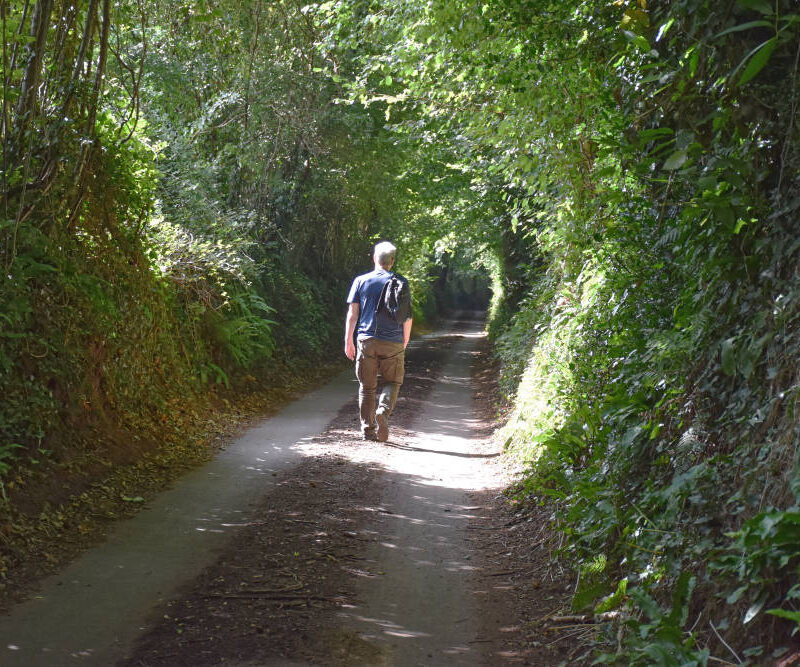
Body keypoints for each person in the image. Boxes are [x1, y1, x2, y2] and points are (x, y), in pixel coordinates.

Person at [344, 241, 412, 442]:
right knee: (393, 381)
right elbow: (407, 317)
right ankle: (383, 410)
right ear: (392, 261)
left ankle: (368, 430)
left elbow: (352, 314)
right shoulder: (401, 282)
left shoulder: (361, 281)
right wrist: (404, 340)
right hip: (393, 341)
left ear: (374, 258)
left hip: (366, 340)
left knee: (367, 387)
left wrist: (348, 340)